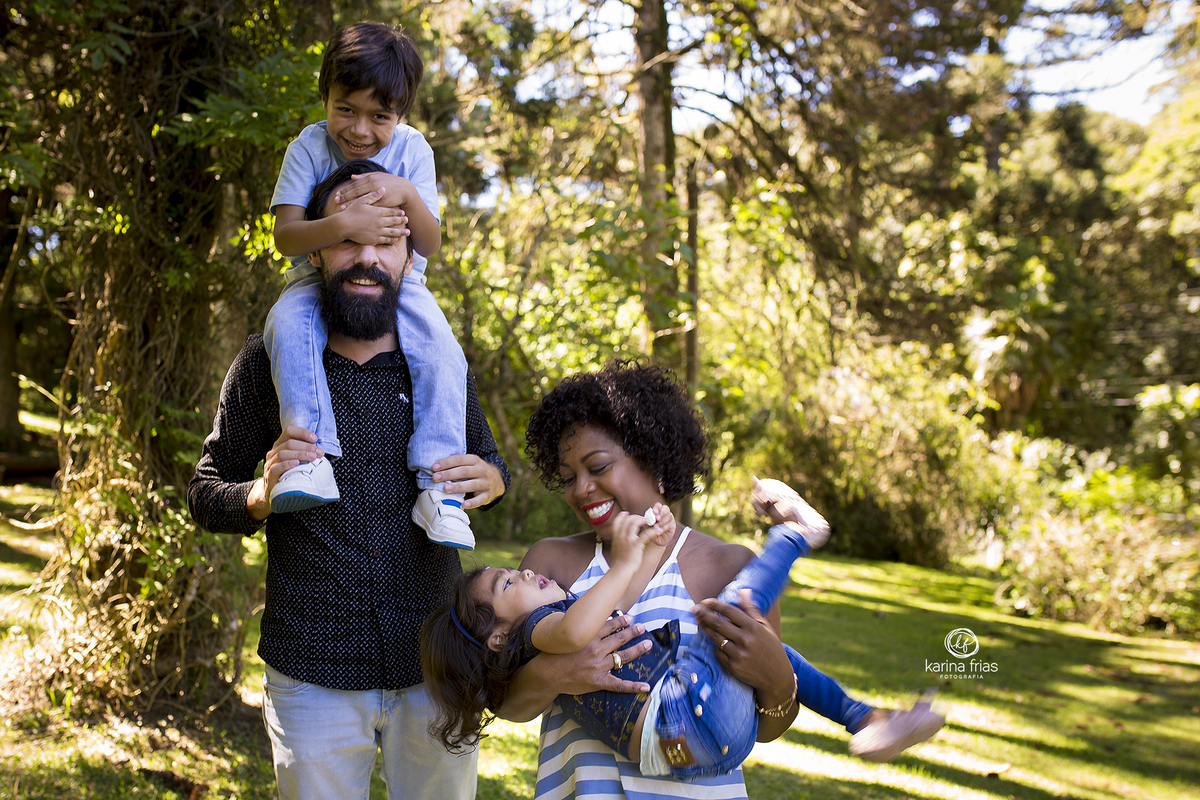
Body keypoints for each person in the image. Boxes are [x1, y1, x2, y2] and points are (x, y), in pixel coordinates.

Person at [188, 159, 510, 800]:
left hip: (436, 664)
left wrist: (492, 481)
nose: (366, 258)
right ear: (316, 250)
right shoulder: (268, 359)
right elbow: (205, 492)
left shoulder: (439, 357)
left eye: (385, 241)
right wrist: (258, 495)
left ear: (407, 254)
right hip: (311, 671)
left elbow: (489, 466)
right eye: (346, 240)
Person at [490, 360, 943, 799]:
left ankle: (867, 716)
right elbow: (509, 705)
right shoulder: (547, 565)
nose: (581, 488)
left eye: (599, 467)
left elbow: (764, 728)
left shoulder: (728, 565)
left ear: (653, 458)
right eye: (568, 477)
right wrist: (556, 671)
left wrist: (777, 677)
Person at [265, 20, 477, 550]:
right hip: (319, 279)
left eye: (379, 116)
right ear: (325, 97)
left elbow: (429, 244)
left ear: (400, 114)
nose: (360, 131)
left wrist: (404, 191)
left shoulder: (413, 153)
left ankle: (439, 487)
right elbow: (286, 236)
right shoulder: (308, 149)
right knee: (286, 326)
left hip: (400, 285)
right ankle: (310, 459)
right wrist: (342, 227)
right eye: (346, 109)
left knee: (443, 352)